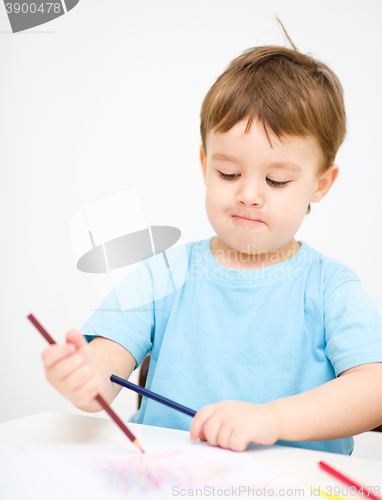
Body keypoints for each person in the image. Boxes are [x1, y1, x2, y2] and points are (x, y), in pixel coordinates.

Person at [42, 44, 382, 455]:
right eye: (229, 173)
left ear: (321, 184)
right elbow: (105, 366)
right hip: (166, 477)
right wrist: (84, 376)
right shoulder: (162, 272)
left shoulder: (331, 287)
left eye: (276, 180)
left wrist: (271, 419)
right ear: (205, 165)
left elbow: (373, 388)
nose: (249, 195)